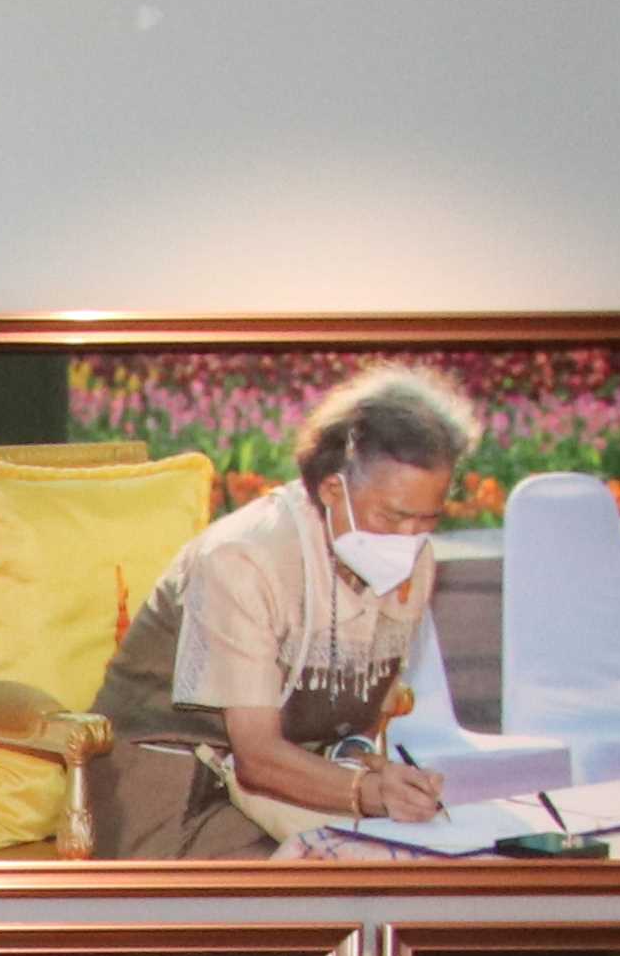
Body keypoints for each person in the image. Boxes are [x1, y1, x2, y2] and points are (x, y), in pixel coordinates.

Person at [84, 365, 481, 858]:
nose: (409, 539)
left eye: (427, 520)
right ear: (333, 490)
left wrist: (366, 765)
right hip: (172, 797)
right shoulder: (243, 558)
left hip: (294, 794)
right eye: (391, 516)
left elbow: (357, 721)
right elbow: (257, 759)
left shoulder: (414, 560)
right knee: (349, 879)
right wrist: (364, 793)